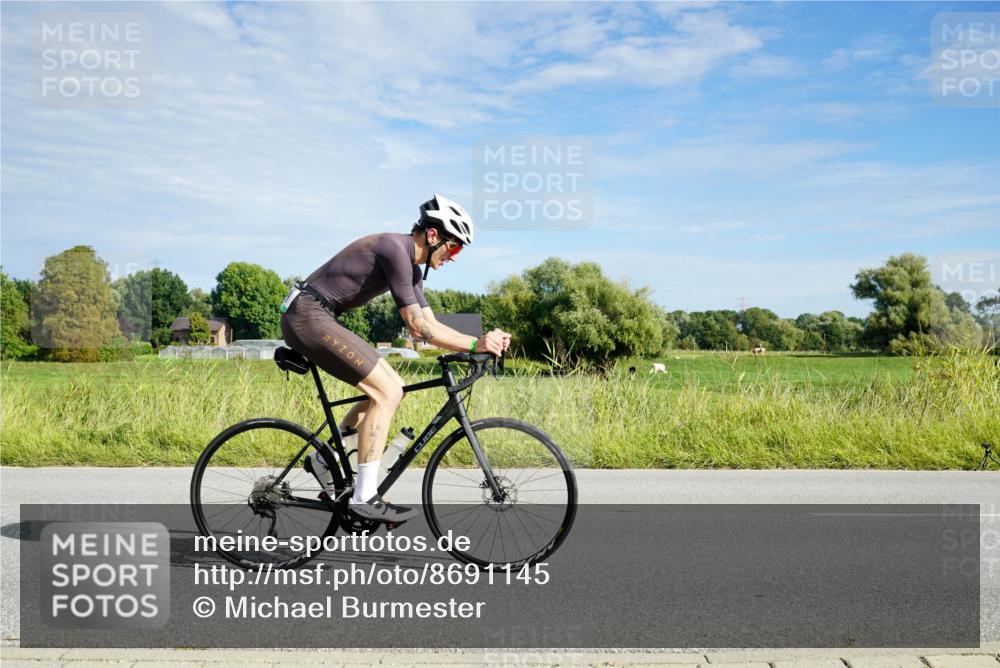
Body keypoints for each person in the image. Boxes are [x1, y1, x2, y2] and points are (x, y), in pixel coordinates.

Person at [279, 194, 511, 524]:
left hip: (318, 315)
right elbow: (417, 327)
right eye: (455, 248)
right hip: (307, 315)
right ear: (433, 235)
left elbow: (428, 324)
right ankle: (364, 497)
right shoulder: (394, 250)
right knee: (386, 392)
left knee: (394, 386)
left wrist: (478, 344)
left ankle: (323, 460)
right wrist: (477, 344)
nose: (453, 257)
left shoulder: (411, 270)